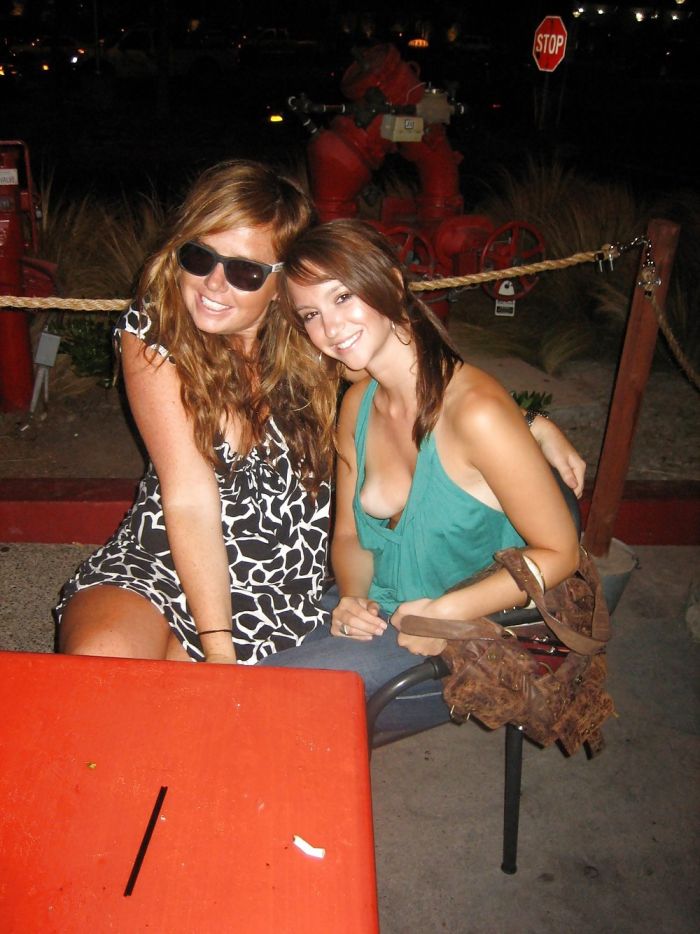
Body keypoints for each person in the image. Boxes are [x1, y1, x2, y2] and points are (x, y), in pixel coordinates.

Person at [56, 159, 583, 684]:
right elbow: (190, 497)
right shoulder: (158, 329)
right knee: (102, 666)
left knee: (178, 704)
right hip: (170, 552)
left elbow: (420, 378)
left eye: (244, 271)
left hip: (277, 588)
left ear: (281, 283)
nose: (214, 284)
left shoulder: (313, 336)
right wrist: (218, 650)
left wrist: (525, 421)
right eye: (199, 256)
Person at [264, 218, 581, 736]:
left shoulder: (477, 414)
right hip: (381, 611)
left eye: (342, 297)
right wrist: (352, 597)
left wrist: (447, 613)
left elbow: (561, 553)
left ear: (390, 284)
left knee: (270, 703)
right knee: (237, 663)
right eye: (311, 314)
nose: (331, 328)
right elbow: (348, 536)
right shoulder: (358, 404)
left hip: (467, 638)